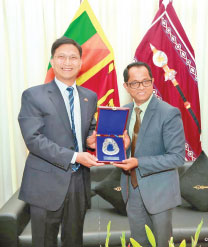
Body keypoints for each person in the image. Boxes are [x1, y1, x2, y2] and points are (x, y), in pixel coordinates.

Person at [18, 37, 103, 247]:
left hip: (78, 182)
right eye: (61, 57)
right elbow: (33, 139)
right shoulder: (33, 95)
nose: (68, 62)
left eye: (73, 57)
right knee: (44, 242)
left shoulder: (89, 96)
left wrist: (92, 141)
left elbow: (86, 131)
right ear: (52, 61)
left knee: (74, 241)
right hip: (45, 183)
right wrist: (75, 156)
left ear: (81, 63)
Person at [113, 61, 185, 247]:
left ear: (153, 82)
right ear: (126, 86)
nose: (141, 87)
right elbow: (122, 153)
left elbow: (176, 157)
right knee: (138, 243)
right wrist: (124, 148)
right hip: (132, 191)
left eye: (145, 81)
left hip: (159, 192)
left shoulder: (169, 113)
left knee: (161, 243)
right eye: (135, 83)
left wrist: (138, 162)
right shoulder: (123, 113)